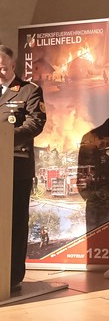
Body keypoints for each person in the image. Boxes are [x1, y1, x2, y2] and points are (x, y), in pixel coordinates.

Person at [0, 45, 46, 292]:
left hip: (16, 167)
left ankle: (12, 276)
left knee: (15, 222)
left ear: (12, 64)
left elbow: (36, 123)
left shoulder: (29, 90)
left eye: (2, 64)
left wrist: (6, 136)